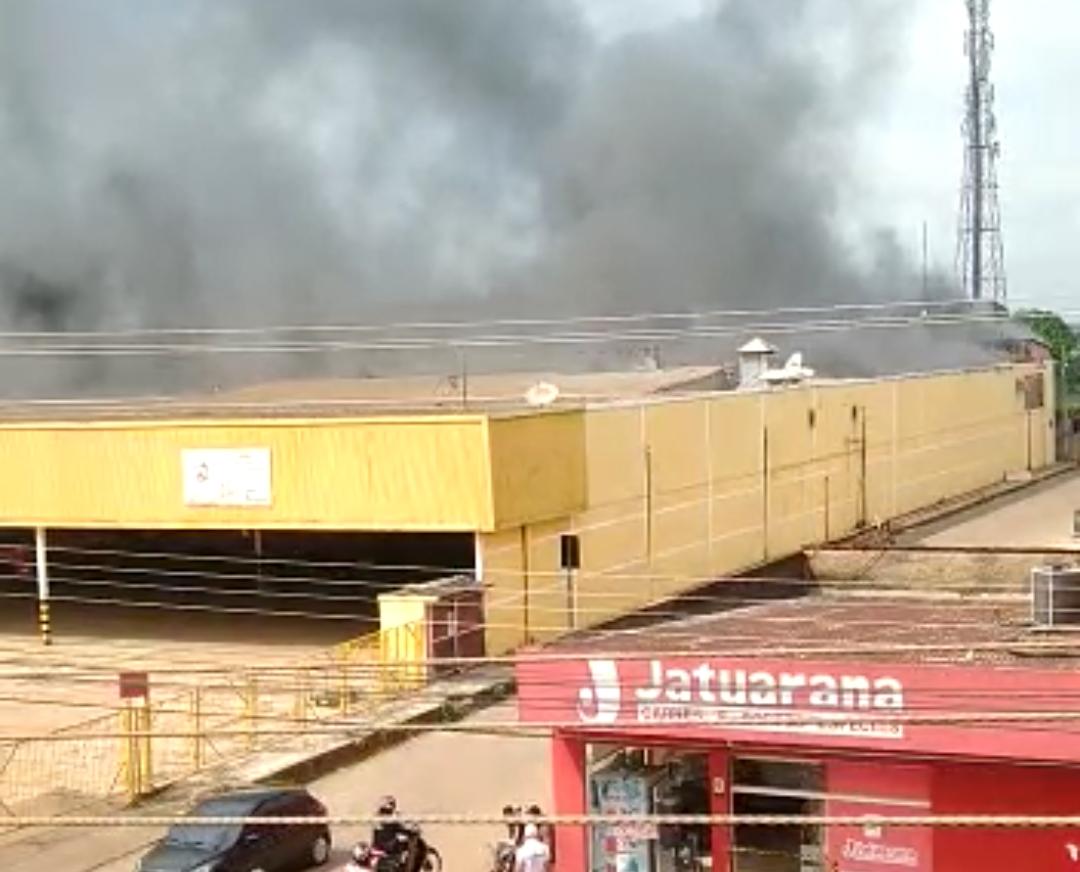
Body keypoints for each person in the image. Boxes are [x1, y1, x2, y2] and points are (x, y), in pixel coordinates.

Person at [371, 795, 411, 865]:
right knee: (404, 842)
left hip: (385, 846)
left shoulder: (393, 816)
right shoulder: (383, 818)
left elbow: (403, 825)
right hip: (385, 847)